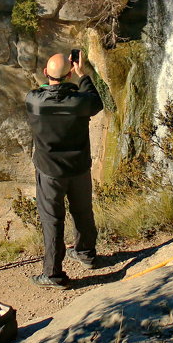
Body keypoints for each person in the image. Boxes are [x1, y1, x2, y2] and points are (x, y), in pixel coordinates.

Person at [24, 49, 105, 289]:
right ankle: (86, 253)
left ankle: (53, 274)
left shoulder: (34, 100)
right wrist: (82, 75)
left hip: (50, 172)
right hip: (79, 167)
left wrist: (56, 78)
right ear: (70, 73)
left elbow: (42, 89)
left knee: (52, 220)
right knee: (83, 212)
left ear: (45, 73)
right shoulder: (80, 102)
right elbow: (95, 101)